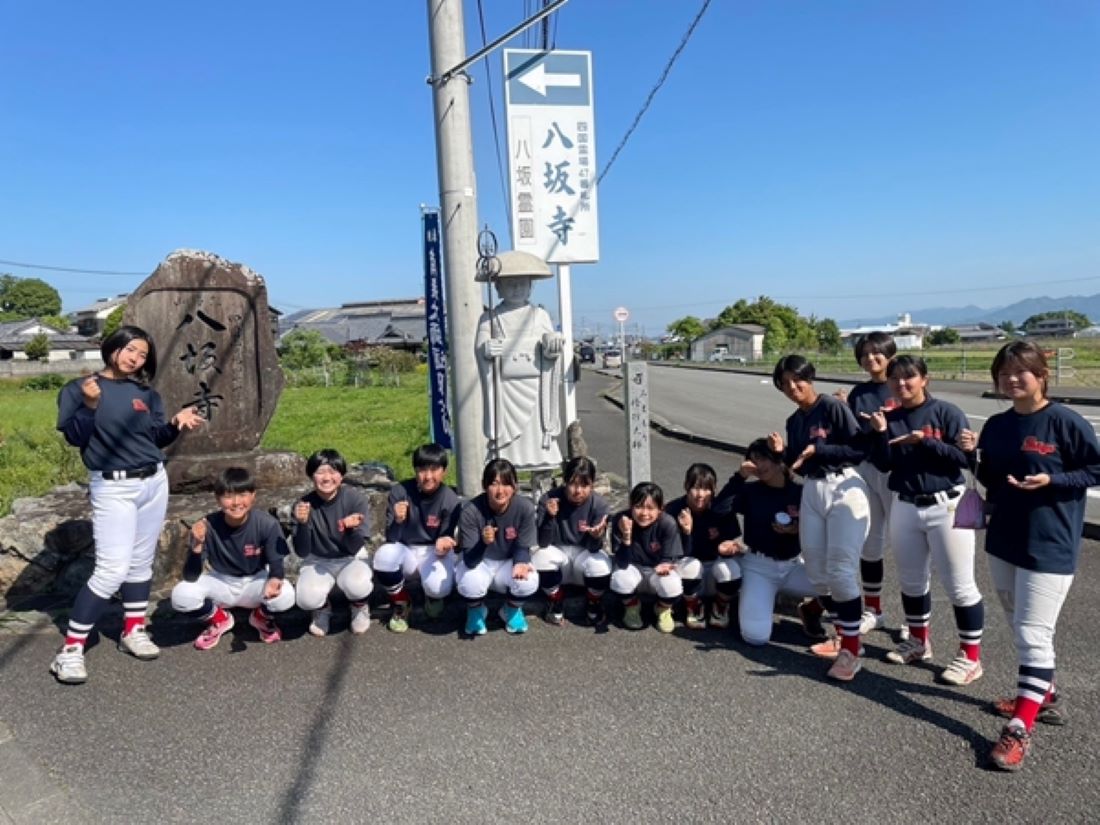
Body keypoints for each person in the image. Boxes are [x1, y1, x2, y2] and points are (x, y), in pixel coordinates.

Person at [959, 342, 1100, 771]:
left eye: (1021, 371)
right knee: (1017, 622)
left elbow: (1095, 469)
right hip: (1004, 538)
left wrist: (1053, 480)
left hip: (1049, 542)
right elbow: (991, 476)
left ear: (1042, 375)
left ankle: (1020, 727)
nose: (1011, 379)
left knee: (1032, 633)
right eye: (1004, 373)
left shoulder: (1065, 422)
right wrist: (971, 454)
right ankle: (1044, 695)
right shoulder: (998, 425)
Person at [50, 325, 204, 685]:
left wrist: (175, 424)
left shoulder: (145, 394)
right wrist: (90, 405)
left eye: (143, 355)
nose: (135, 358)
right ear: (113, 347)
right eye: (130, 349)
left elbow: (154, 438)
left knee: (140, 562)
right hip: (113, 486)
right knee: (111, 570)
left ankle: (133, 629)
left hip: (153, 481)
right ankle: (70, 650)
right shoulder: (79, 388)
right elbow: (76, 437)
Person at [864, 356, 985, 686]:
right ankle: (919, 641)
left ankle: (970, 657)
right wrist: (879, 433)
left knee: (960, 585)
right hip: (905, 504)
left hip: (946, 505)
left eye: (909, 377)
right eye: (895, 378)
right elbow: (884, 464)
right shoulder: (890, 417)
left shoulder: (946, 412)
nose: (901, 384)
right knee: (911, 581)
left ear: (924, 379)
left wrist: (927, 441)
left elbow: (965, 459)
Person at [770, 354, 870, 681]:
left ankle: (851, 651)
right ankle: (843, 635)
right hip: (812, 490)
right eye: (784, 383)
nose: (792, 387)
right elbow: (800, 464)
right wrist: (783, 453)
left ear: (810, 377)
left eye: (797, 379)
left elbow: (859, 449)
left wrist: (821, 450)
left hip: (843, 486)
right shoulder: (794, 420)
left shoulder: (832, 407)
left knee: (841, 569)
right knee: (816, 571)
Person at [170, 467, 296, 649]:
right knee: (181, 595)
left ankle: (260, 617)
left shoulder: (267, 524)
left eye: (243, 494)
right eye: (228, 496)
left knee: (286, 595)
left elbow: (276, 564)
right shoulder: (207, 526)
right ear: (218, 499)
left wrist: (274, 580)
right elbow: (190, 576)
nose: (236, 502)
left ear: (253, 496)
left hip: (255, 580)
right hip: (221, 581)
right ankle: (219, 619)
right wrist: (197, 546)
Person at [715, 438, 815, 645]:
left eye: (763, 458)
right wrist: (740, 476)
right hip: (759, 566)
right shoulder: (751, 491)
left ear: (778, 459)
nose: (758, 465)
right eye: (753, 461)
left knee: (838, 582)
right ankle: (745, 597)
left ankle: (811, 610)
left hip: (794, 566)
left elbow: (819, 525)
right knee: (755, 637)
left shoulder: (800, 492)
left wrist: (798, 529)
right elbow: (719, 509)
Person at [475, 251, 563, 470]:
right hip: (504, 388)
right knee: (505, 431)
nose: (516, 288)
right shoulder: (489, 318)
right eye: (510, 284)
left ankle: (541, 460)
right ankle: (504, 458)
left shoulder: (540, 315)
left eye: (522, 283)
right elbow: (480, 346)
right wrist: (487, 349)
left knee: (536, 429)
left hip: (535, 385)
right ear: (497, 287)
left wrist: (551, 345)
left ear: (530, 286)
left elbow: (549, 343)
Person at [845, 331, 903, 638]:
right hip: (866, 469)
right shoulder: (859, 393)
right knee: (870, 542)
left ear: (890, 354)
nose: (870, 358)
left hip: (898, 471)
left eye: (876, 352)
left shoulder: (902, 386)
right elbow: (853, 435)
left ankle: (915, 621)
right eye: (864, 354)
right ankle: (873, 609)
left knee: (908, 546)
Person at [373, 443, 461, 632]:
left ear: (444, 471)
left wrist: (444, 544)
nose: (428, 476)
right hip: (406, 551)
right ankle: (401, 601)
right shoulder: (400, 491)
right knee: (383, 556)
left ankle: (432, 596)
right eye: (422, 469)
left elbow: (447, 538)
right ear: (415, 470)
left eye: (434, 469)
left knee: (438, 588)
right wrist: (398, 520)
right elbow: (392, 538)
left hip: (434, 552)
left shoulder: (450, 499)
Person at [292, 449, 374, 637]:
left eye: (333, 471)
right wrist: (302, 524)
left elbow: (354, 547)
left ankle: (359, 606)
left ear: (342, 475)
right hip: (318, 560)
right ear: (311, 476)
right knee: (306, 598)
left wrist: (350, 530)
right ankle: (322, 609)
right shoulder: (303, 505)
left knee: (358, 585)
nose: (327, 478)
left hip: (351, 557)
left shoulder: (355, 499)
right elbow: (302, 551)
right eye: (320, 472)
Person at [456, 459, 539, 635]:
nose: (500, 490)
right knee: (468, 582)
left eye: (506, 483)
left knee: (529, 580)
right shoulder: (470, 511)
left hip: (507, 561)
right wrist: (483, 542)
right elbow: (470, 560)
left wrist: (520, 562)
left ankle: (511, 609)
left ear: (515, 486)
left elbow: (523, 545)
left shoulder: (525, 508)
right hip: (481, 562)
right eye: (494, 484)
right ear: (484, 485)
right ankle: (476, 610)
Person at [531, 456, 612, 627]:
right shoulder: (549, 499)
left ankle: (593, 602)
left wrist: (596, 536)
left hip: (583, 557)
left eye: (584, 485)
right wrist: (550, 517)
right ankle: (555, 600)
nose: (578, 491)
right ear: (565, 482)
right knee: (540, 557)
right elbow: (543, 542)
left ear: (592, 485)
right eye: (573, 484)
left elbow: (594, 548)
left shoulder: (599, 505)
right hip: (558, 555)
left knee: (602, 564)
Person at [666, 463, 743, 629]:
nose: (700, 495)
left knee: (731, 568)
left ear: (714, 490)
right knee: (691, 565)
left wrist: (726, 546)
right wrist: (686, 532)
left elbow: (732, 545)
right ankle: (693, 607)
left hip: (714, 574)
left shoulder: (722, 509)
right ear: (686, 486)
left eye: (707, 489)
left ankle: (720, 607)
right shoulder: (673, 510)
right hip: (687, 577)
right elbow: (673, 554)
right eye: (695, 487)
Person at [610, 482, 684, 633]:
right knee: (619, 579)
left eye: (650, 508)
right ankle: (632, 606)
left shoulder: (667, 523)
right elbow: (621, 562)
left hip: (656, 571)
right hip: (633, 568)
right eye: (638, 506)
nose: (644, 513)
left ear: (660, 509)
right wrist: (626, 536)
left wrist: (665, 565)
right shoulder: (621, 520)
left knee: (673, 585)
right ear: (630, 505)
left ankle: (663, 609)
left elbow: (669, 557)